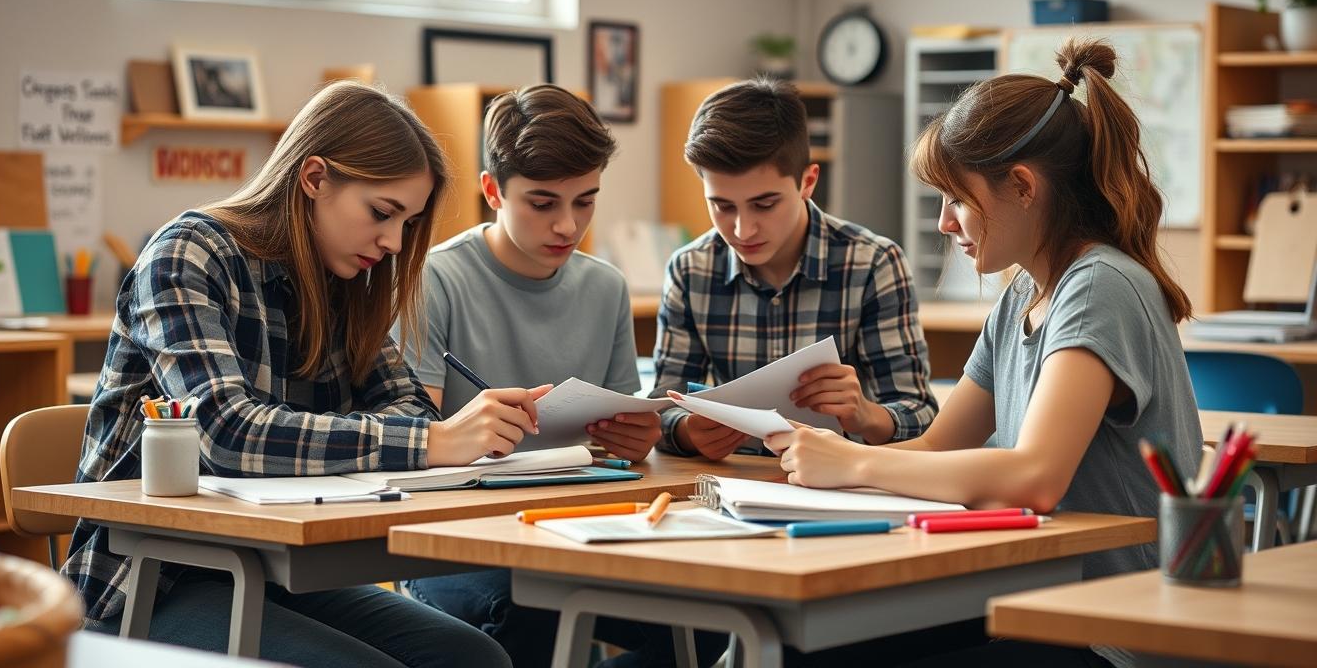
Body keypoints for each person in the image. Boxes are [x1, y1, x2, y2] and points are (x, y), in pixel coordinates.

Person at [64, 81, 548, 668]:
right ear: (315, 178)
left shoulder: (343, 280)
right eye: (382, 213)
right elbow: (224, 432)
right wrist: (431, 441)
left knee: (472, 656)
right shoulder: (186, 254)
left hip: (274, 562)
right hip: (152, 576)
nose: (394, 243)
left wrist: (421, 435)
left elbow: (410, 408)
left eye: (408, 222)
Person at [766, 38, 1203, 668]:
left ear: (1022, 187)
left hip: (1114, 634)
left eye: (955, 199)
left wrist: (856, 466)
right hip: (1037, 604)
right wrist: (840, 461)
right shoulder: (1026, 290)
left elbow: (1035, 477)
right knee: (807, 649)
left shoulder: (1098, 284)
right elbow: (938, 448)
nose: (945, 223)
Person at [400, 85, 707, 668]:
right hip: (457, 537)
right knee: (528, 611)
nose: (568, 225)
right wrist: (465, 429)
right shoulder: (434, 279)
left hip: (576, 525)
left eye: (586, 201)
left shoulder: (606, 287)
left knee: (706, 618)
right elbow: (411, 432)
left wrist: (636, 442)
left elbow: (625, 435)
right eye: (542, 203)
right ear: (492, 191)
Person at [652, 77, 936, 460]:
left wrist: (865, 415)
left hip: (839, 484)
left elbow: (920, 415)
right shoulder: (690, 270)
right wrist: (688, 432)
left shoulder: (873, 263)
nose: (742, 229)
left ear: (808, 182)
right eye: (722, 206)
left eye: (764, 204)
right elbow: (662, 407)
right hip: (732, 488)